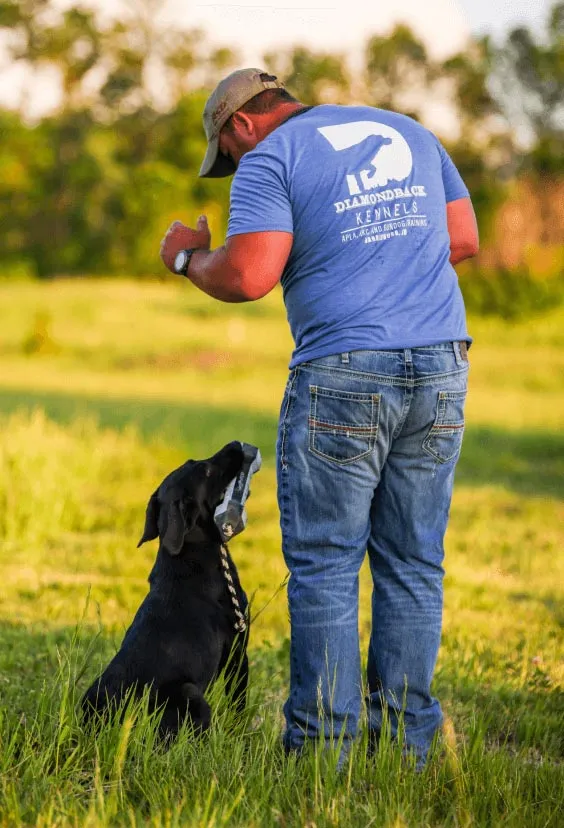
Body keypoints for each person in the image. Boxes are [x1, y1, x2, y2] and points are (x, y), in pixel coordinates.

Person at [159, 68, 479, 766]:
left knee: (327, 563)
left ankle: (324, 753)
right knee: (415, 562)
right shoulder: (410, 131)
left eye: (229, 153)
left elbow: (249, 275)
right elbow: (461, 241)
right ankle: (404, 752)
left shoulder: (273, 157)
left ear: (240, 125)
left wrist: (186, 255)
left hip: (345, 369)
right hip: (442, 364)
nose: (236, 164)